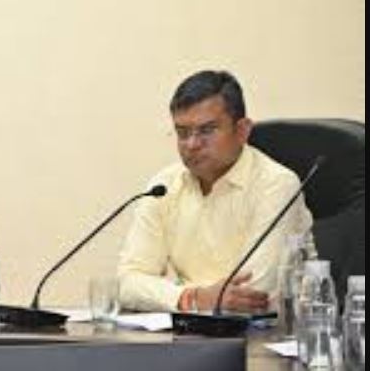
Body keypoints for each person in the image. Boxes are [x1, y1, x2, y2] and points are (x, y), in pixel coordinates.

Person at [118, 70, 315, 314]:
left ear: (242, 131)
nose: (192, 144)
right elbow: (128, 283)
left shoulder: (276, 185)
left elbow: (254, 295)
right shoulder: (164, 186)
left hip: (266, 333)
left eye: (207, 130)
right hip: (191, 330)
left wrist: (176, 295)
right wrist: (192, 298)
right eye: (182, 133)